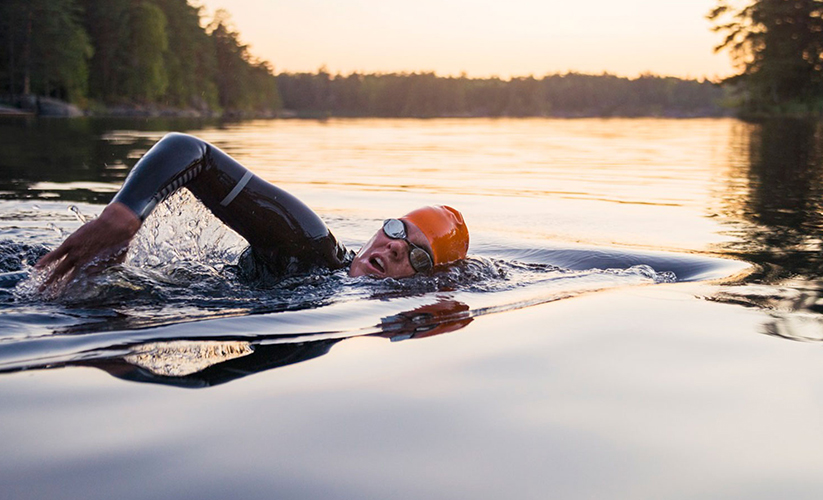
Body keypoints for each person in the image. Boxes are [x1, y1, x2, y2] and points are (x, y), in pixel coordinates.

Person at [35, 133, 470, 287]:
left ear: (426, 280)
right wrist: (123, 216)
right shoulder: (309, 245)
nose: (395, 249)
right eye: (398, 230)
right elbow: (193, 152)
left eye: (416, 256)